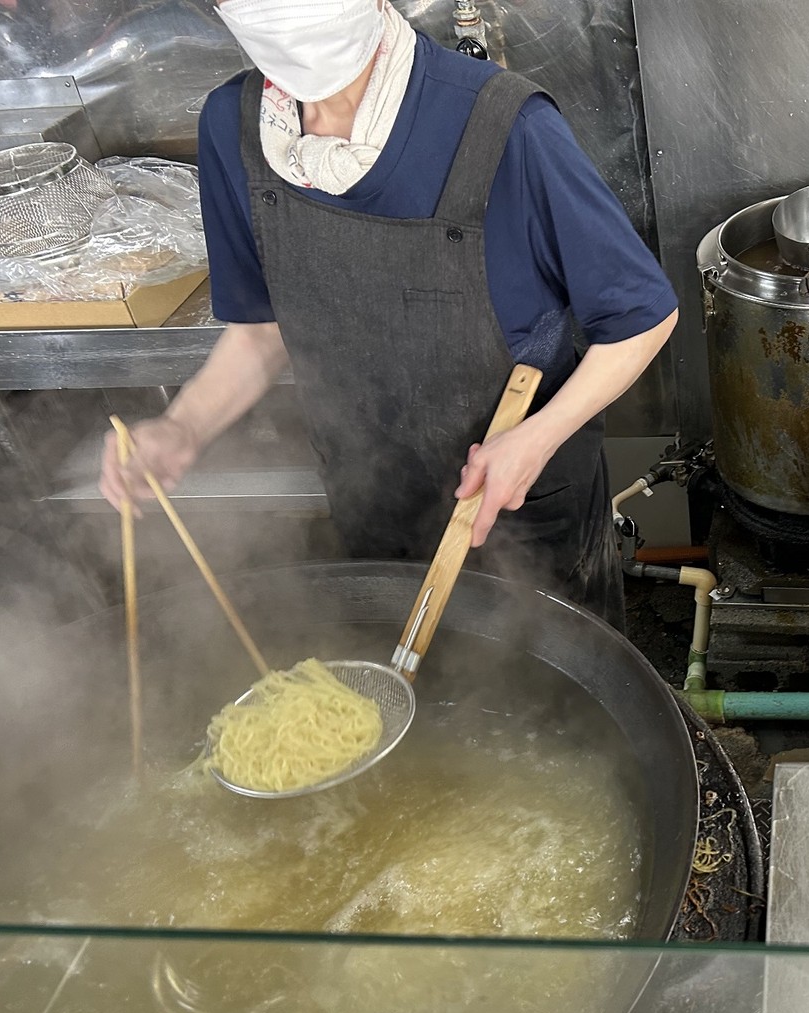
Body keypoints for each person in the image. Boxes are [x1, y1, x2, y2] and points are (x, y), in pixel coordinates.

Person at [99, 0, 678, 630]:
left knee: (564, 705)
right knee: (410, 700)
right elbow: (263, 331)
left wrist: (537, 438)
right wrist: (183, 427)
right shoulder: (233, 127)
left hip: (520, 507)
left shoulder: (501, 124)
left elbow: (641, 316)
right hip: (370, 502)